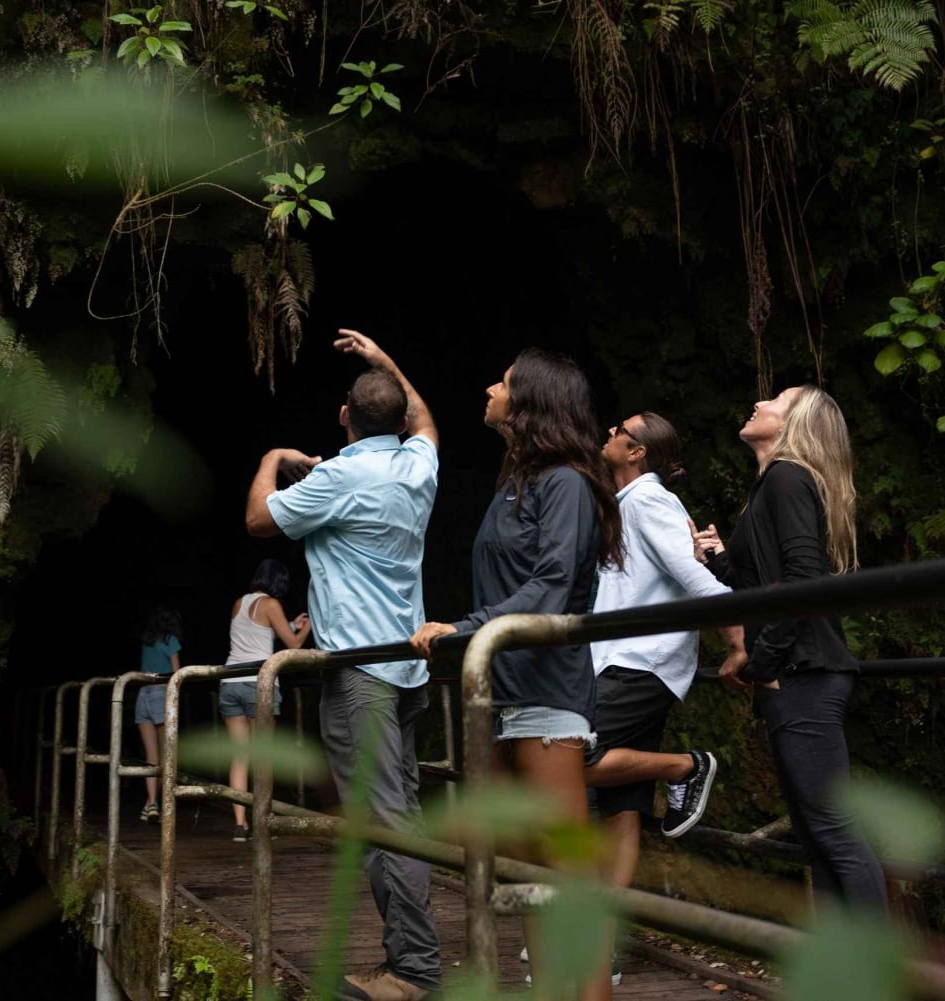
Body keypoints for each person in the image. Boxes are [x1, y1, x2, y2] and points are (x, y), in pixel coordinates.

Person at [410, 348, 623, 1001]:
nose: (488, 386)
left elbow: (553, 583)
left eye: (501, 381)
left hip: (548, 691)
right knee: (524, 867)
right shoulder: (517, 482)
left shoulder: (564, 482)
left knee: (568, 870)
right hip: (503, 692)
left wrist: (466, 627)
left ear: (531, 399)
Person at [245, 329, 442, 1001]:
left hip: (360, 674)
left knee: (382, 820)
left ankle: (413, 972)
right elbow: (426, 422)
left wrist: (275, 456)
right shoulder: (419, 465)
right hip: (408, 671)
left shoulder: (337, 476)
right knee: (401, 812)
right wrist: (386, 358)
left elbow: (258, 519)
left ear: (344, 415)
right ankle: (414, 959)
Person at [695, 385, 887, 910]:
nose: (759, 401)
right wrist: (717, 560)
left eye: (777, 399)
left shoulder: (786, 477)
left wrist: (763, 663)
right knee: (817, 834)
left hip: (804, 672)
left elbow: (805, 579)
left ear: (791, 423)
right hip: (797, 672)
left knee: (833, 831)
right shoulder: (769, 487)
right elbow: (761, 583)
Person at [584, 412, 744, 928]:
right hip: (628, 659)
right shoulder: (627, 503)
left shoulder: (650, 501)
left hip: (639, 661)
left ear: (638, 453)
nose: (609, 432)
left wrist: (739, 642)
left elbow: (696, 581)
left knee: (570, 758)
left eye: (619, 430)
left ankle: (686, 767)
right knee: (622, 805)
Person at [221, 558, 311, 843]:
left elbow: (257, 633)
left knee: (240, 756)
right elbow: (293, 645)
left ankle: (240, 825)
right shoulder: (272, 604)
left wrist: (291, 624)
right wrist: (309, 626)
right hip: (258, 684)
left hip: (230, 682)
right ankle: (263, 822)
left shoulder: (239, 603)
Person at [135, 607, 182, 823]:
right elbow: (176, 672)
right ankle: (162, 805)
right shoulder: (169, 640)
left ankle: (150, 803)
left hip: (142, 694)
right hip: (161, 695)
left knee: (150, 756)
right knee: (166, 755)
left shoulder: (147, 641)